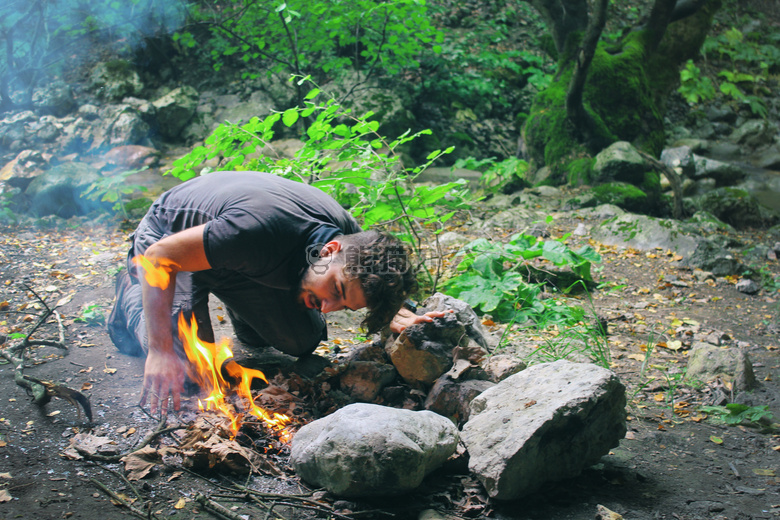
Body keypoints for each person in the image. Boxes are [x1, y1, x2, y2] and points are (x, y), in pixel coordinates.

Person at [107, 171, 441, 415]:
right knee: (191, 372)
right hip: (171, 246)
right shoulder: (256, 230)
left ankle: (237, 301)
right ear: (329, 250)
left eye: (344, 306)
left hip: (236, 259)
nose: (327, 308)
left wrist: (396, 310)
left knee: (301, 340)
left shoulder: (353, 247)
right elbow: (160, 258)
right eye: (336, 290)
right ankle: (131, 294)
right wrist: (161, 349)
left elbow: (379, 278)